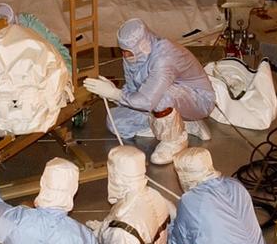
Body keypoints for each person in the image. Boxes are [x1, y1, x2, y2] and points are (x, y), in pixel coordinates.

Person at [83, 18, 216, 164]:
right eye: (123, 51)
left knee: (162, 96)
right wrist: (113, 94)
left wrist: (115, 94)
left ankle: (174, 140)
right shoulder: (134, 56)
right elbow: (134, 89)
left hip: (199, 100)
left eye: (128, 52)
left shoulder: (164, 58)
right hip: (157, 101)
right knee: (116, 123)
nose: (125, 56)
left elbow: (147, 100)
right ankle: (181, 122)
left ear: (143, 45)